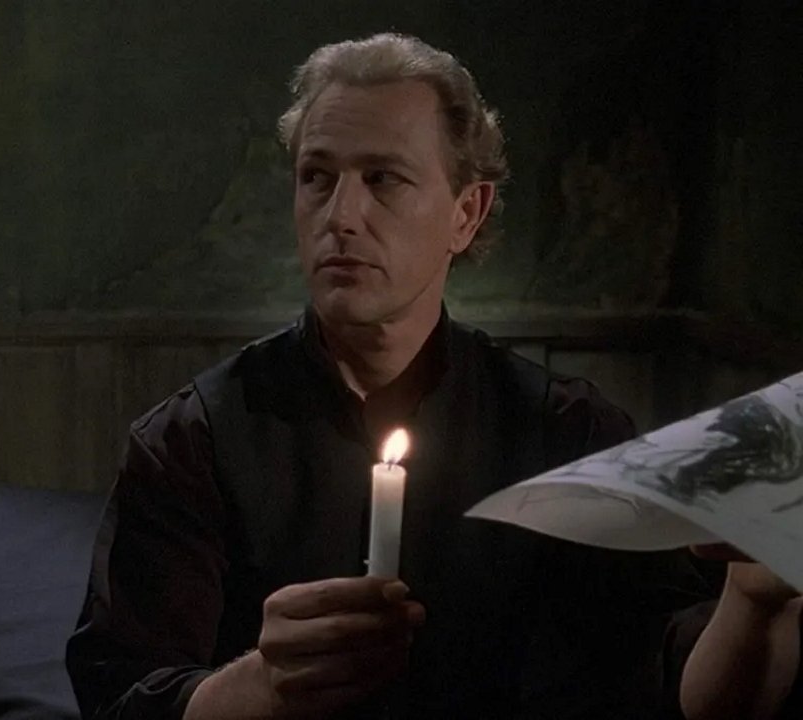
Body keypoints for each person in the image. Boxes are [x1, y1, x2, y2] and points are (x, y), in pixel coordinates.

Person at [65, 33, 802, 720]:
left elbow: (683, 688)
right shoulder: (191, 440)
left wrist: (757, 600)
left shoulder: (567, 434)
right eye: (316, 177)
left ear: (466, 213)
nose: (341, 215)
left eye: (383, 178)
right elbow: (121, 695)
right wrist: (260, 684)